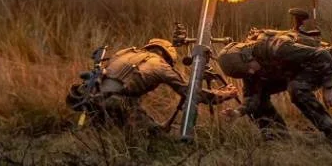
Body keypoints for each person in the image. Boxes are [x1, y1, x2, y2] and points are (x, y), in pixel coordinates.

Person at [66, 38, 238, 135]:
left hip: (91, 97)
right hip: (119, 103)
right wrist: (223, 94)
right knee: (156, 136)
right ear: (167, 55)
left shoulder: (125, 52)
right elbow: (192, 93)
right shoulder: (162, 66)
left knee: (104, 132)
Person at [216, 30, 332, 144]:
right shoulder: (249, 70)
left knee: (296, 89)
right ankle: (277, 136)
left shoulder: (277, 48)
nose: (251, 73)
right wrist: (238, 112)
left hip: (314, 66)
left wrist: (329, 87)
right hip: (286, 74)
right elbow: (252, 97)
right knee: (259, 98)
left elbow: (322, 55)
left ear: (248, 56)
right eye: (246, 72)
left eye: (249, 68)